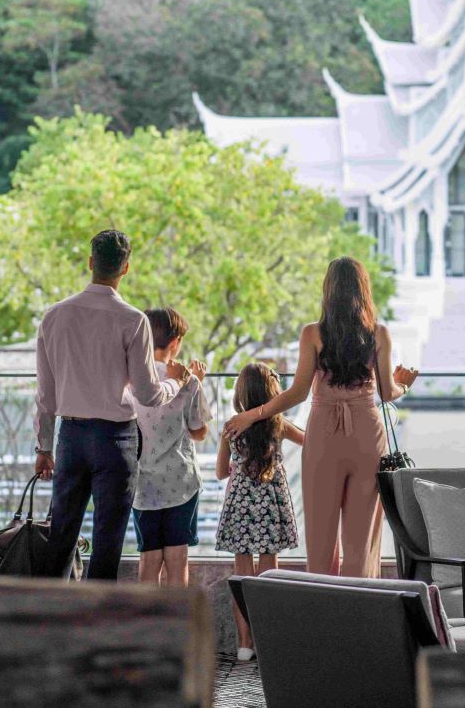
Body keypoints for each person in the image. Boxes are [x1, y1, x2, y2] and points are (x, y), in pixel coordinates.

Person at [224, 257, 419, 578]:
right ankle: (360, 605)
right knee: (361, 540)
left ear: (328, 290)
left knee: (320, 537)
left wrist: (252, 415)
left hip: (324, 436)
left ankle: (324, 605)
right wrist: (404, 385)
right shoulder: (379, 334)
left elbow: (297, 393)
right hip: (367, 436)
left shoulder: (312, 334)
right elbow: (387, 393)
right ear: (363, 290)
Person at [34, 229, 191, 580]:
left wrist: (43, 447)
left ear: (91, 263)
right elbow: (148, 394)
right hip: (116, 440)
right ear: (126, 268)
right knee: (107, 541)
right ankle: (97, 613)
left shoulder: (54, 316)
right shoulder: (133, 320)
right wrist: (176, 382)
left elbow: (45, 394)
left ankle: (49, 608)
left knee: (61, 534)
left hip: (70, 437)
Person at [215, 362, 304, 661]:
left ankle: (245, 644)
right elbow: (310, 439)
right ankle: (267, 642)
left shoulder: (230, 427)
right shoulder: (279, 425)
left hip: (240, 505)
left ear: (241, 391)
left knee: (241, 576)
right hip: (270, 505)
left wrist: (236, 466)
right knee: (268, 575)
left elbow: (220, 473)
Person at [130, 307, 210, 587]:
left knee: (149, 559)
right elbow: (199, 432)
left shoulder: (131, 378)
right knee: (178, 559)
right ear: (175, 342)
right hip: (181, 482)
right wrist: (197, 383)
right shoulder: (188, 381)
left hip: (143, 484)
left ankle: (147, 616)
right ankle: (177, 617)